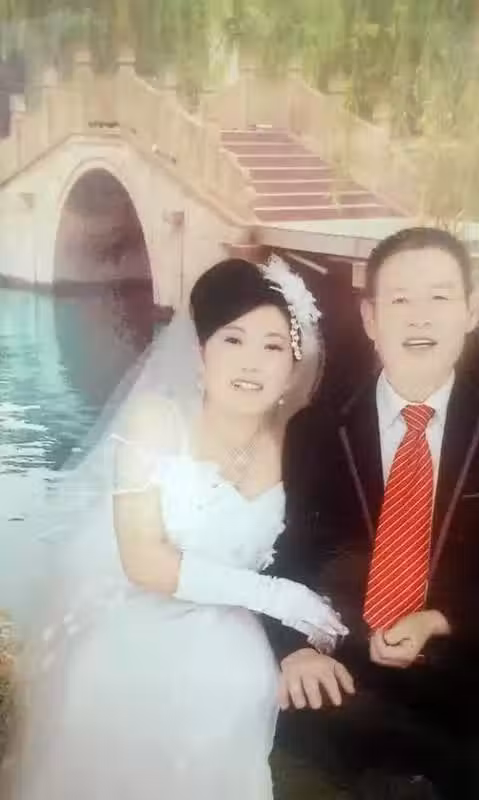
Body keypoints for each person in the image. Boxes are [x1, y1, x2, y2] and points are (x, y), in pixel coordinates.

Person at [0, 256, 347, 800]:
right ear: (201, 351)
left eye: (273, 346)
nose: (252, 362)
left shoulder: (296, 445)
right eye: (233, 339)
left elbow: (314, 550)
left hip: (229, 629)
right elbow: (144, 560)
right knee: (123, 691)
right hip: (136, 617)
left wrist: (304, 634)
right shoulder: (156, 421)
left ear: (292, 365)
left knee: (237, 685)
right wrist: (276, 595)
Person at [265, 227, 479, 800]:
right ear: (370, 317)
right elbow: (289, 561)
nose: (420, 317)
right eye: (400, 299)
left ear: (470, 310)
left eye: (439, 296)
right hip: (347, 718)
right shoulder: (317, 430)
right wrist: (294, 648)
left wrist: (438, 619)